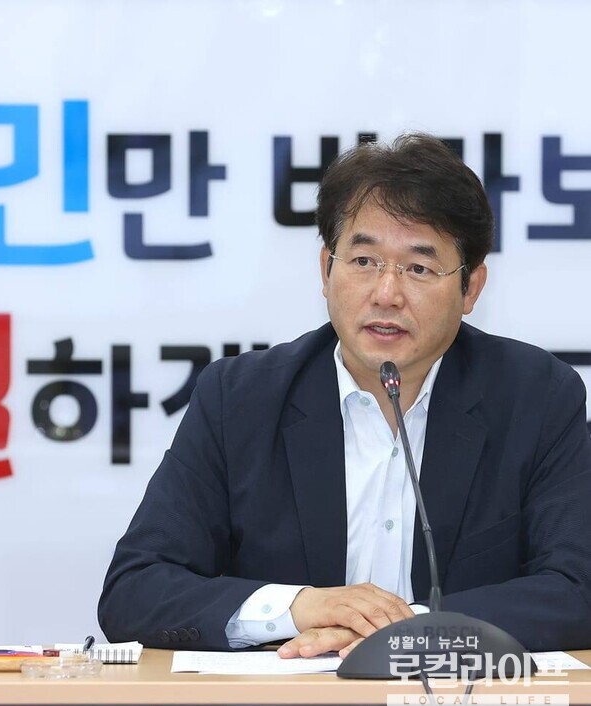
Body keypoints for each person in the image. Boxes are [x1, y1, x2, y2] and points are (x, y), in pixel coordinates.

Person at [98, 133, 591, 657]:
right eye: (363, 261)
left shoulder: (536, 398)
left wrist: (411, 630)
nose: (386, 293)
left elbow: (577, 590)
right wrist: (298, 607)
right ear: (326, 270)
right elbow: (135, 590)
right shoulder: (239, 399)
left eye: (419, 268)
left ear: (471, 288)